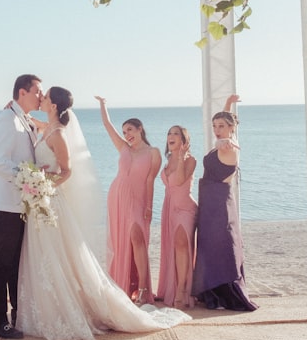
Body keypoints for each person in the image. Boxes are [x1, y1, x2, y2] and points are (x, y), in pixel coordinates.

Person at [17, 86, 191, 340]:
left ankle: (141, 290)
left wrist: (43, 181)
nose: (41, 99)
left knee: (123, 242)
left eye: (45, 97)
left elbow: (67, 171)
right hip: (102, 197)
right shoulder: (49, 129)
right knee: (49, 253)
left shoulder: (60, 135)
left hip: (59, 198)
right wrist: (20, 115)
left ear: (54, 105)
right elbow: (40, 126)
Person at [0, 73, 42, 339]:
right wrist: (29, 179)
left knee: (15, 264)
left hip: (18, 204)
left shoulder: (23, 119)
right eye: (37, 91)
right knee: (1, 263)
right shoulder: (6, 120)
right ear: (22, 92)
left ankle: (17, 314)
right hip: (3, 202)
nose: (41, 95)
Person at [191, 95, 259, 312]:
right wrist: (228, 104)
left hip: (218, 202)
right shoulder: (227, 139)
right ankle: (212, 291)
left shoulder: (228, 145)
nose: (216, 129)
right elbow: (226, 127)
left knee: (220, 243)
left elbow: (224, 141)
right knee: (209, 245)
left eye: (221, 126)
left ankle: (225, 293)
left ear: (231, 128)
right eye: (214, 126)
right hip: (210, 200)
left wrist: (226, 140)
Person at [94, 96, 162, 305]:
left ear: (140, 129)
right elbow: (107, 125)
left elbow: (150, 180)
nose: (127, 135)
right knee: (122, 241)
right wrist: (103, 105)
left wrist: (149, 206)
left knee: (138, 239)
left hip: (139, 199)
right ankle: (124, 286)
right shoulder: (123, 148)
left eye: (130, 130)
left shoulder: (154, 152)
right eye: (124, 132)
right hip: (118, 197)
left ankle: (142, 289)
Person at [157, 125, 198, 309]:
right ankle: (173, 287)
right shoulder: (166, 162)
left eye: (176, 134)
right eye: (169, 133)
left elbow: (180, 180)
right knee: (173, 248)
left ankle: (182, 289)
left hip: (186, 209)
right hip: (169, 208)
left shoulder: (191, 160)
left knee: (182, 244)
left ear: (184, 140)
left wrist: (181, 157)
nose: (171, 136)